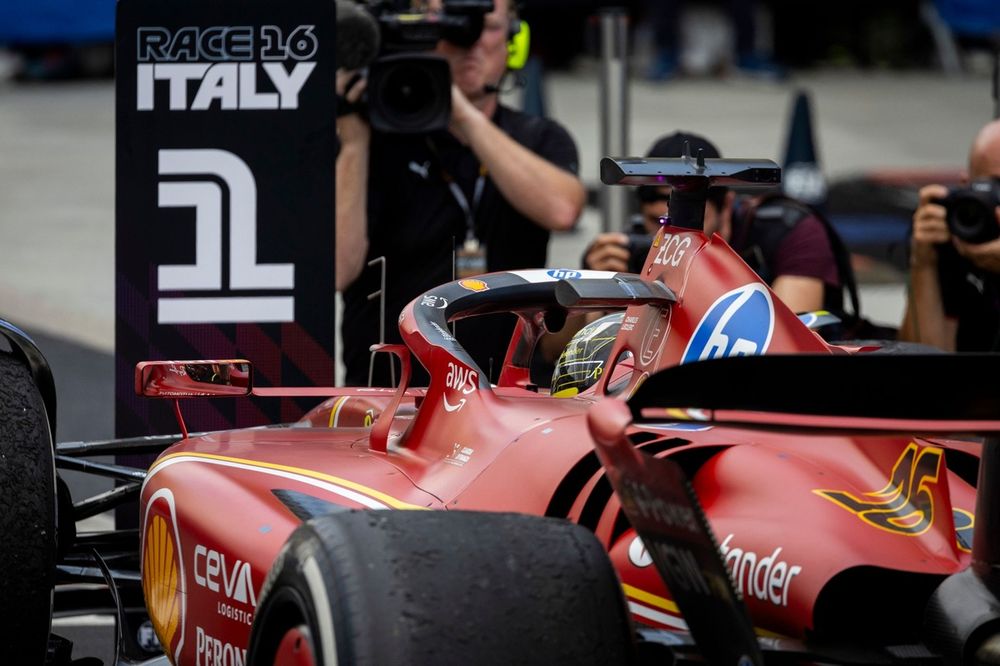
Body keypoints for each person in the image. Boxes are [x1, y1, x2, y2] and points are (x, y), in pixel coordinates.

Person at [336, 0, 586, 386]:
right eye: (450, 27)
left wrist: (460, 113)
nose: (469, 42)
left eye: (485, 26)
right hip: (389, 394)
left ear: (513, 40)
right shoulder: (370, 138)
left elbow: (562, 209)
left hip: (505, 395)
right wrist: (352, 141)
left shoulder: (539, 137)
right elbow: (336, 269)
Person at [583, 131, 845, 315]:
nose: (675, 237)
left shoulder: (790, 232)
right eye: (660, 222)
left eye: (692, 223)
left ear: (727, 206)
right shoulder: (633, 249)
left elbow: (789, 347)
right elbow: (555, 354)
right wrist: (597, 294)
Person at [899, 120, 1000, 352]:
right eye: (994, 186)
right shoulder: (956, 229)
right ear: (967, 185)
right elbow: (923, 355)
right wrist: (923, 263)